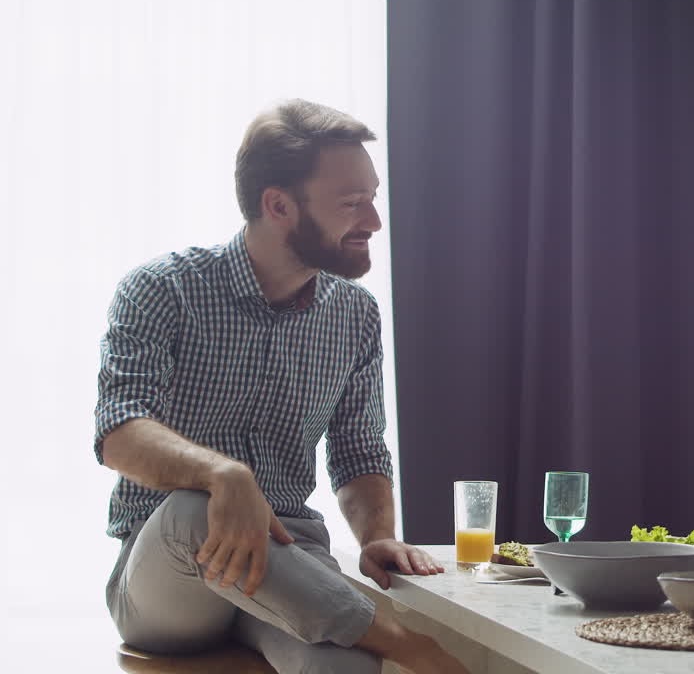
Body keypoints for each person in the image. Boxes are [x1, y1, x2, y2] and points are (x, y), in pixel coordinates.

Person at [94, 99, 468, 674]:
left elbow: (358, 449)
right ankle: (417, 649)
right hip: (171, 574)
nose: (373, 221)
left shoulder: (354, 315)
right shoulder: (161, 290)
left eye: (373, 197)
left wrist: (377, 536)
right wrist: (224, 475)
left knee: (342, 669)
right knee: (200, 505)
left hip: (290, 562)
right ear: (278, 206)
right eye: (352, 203)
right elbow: (119, 432)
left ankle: (377, 638)